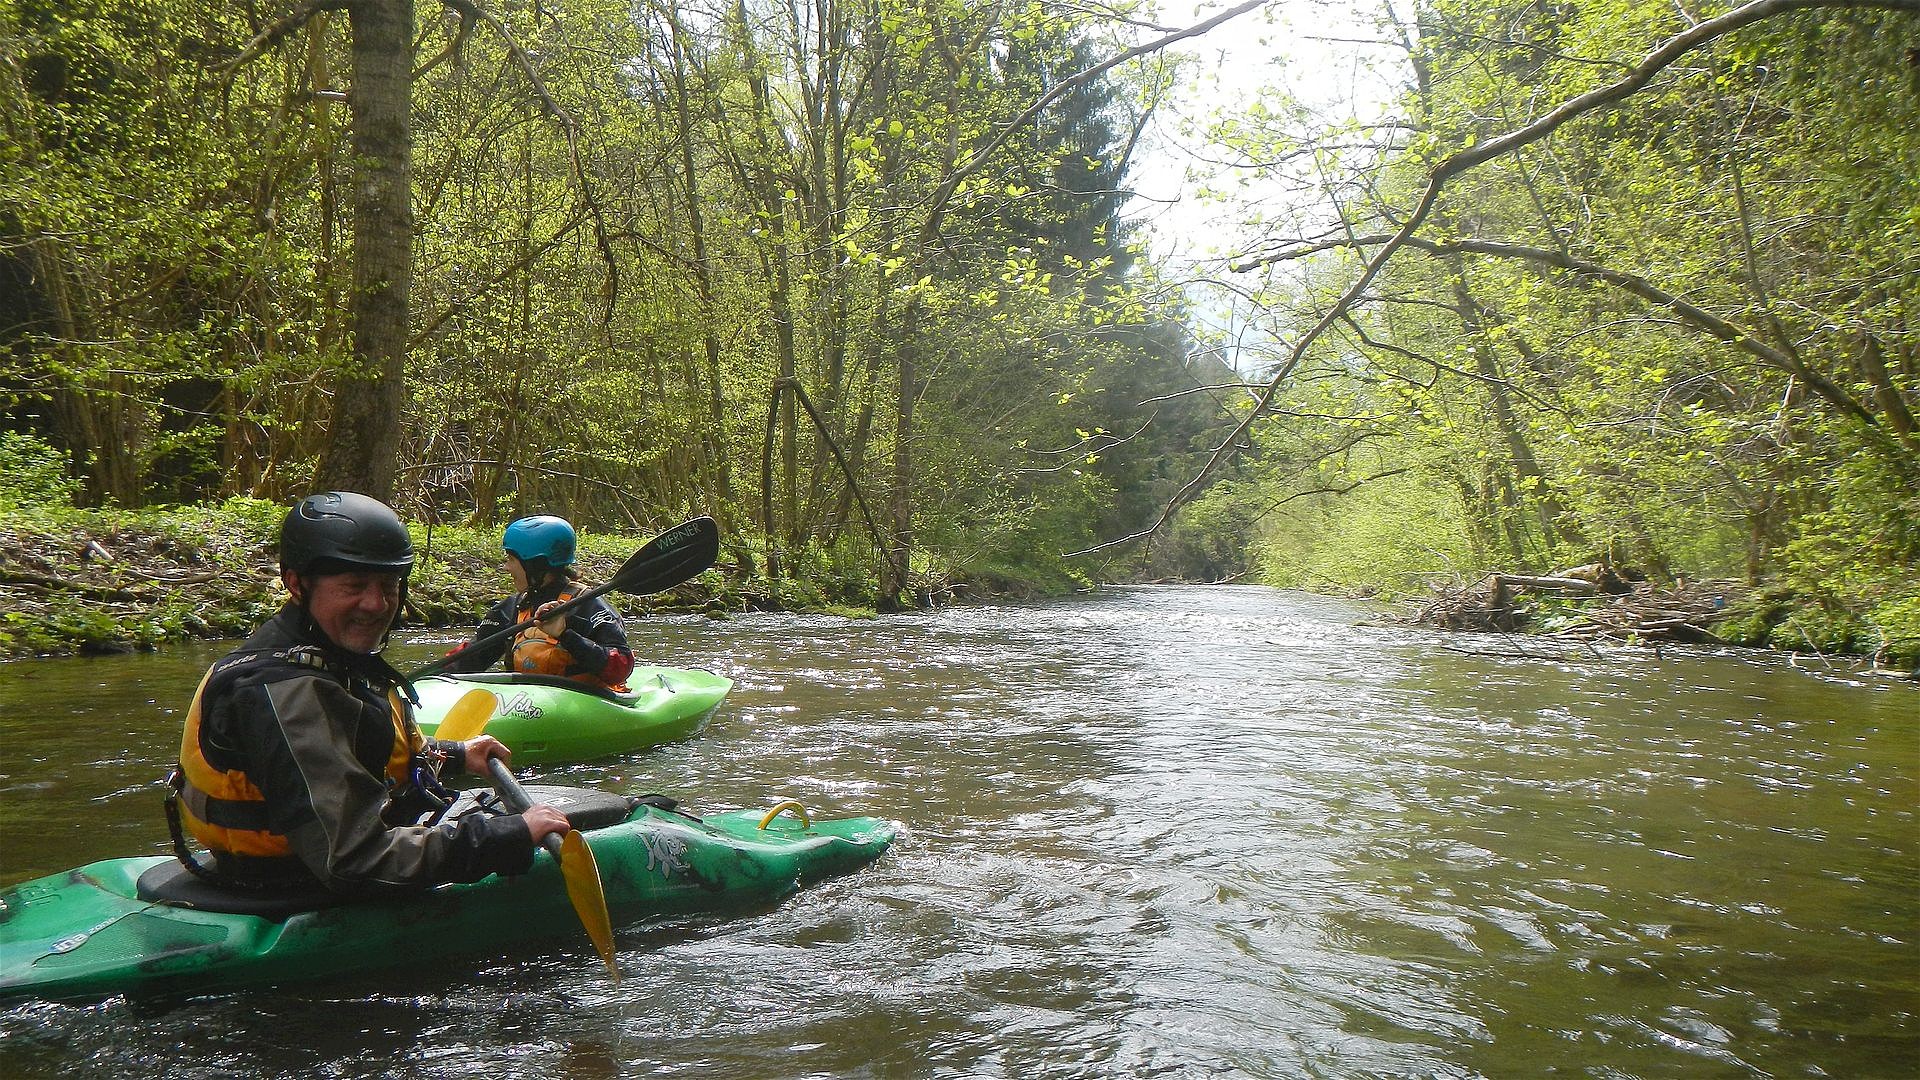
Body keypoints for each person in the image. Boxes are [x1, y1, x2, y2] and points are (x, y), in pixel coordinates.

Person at [168, 491, 569, 895]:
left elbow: (353, 753)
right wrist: (507, 838)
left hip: (301, 861)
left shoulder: (326, 656)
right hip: (298, 883)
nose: (377, 604)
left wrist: (454, 753)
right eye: (354, 586)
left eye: (388, 585)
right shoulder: (285, 692)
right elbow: (353, 860)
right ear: (296, 583)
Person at [440, 515, 636, 691]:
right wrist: (434, 676)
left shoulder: (589, 606)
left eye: (510, 559)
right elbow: (470, 659)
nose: (507, 567)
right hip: (525, 706)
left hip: (584, 703)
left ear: (535, 565)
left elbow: (620, 669)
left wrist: (565, 635)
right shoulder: (510, 609)